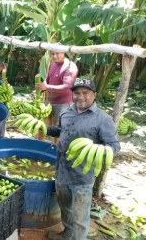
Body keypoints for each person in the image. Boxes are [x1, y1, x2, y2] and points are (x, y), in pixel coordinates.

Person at [46, 78, 120, 240]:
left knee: (80, 218)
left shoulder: (103, 119)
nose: (80, 97)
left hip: (82, 177)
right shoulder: (66, 112)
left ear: (94, 94)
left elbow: (114, 146)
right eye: (77, 93)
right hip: (61, 171)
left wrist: (98, 149)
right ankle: (68, 233)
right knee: (65, 208)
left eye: (85, 93)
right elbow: (60, 131)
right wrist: (44, 128)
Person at [35, 51, 78, 125]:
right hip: (50, 101)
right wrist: (41, 87)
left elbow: (67, 87)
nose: (54, 56)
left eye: (57, 53)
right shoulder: (53, 65)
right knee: (43, 126)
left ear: (63, 53)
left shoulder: (69, 67)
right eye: (52, 54)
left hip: (63, 103)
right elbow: (47, 79)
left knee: (58, 129)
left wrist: (47, 87)